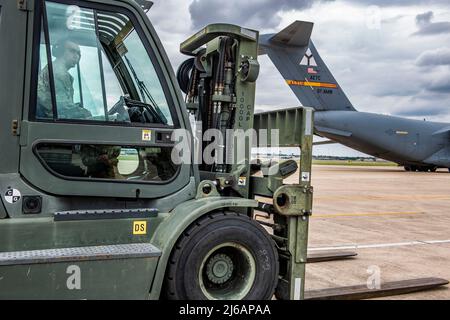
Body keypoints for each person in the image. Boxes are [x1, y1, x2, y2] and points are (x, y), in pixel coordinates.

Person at [37, 37, 92, 119]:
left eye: (78, 53)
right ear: (60, 51)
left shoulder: (57, 70)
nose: (76, 56)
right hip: (53, 120)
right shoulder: (57, 71)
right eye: (72, 51)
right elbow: (61, 107)